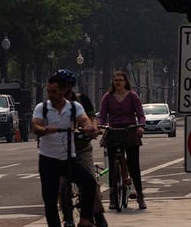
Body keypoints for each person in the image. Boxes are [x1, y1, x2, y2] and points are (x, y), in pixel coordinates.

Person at [32, 75, 98, 227]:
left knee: (89, 182)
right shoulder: (42, 108)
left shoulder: (74, 107)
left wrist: (89, 127)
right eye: (49, 91)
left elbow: (84, 119)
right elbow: (35, 126)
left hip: (69, 158)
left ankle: (85, 219)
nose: (51, 95)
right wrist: (44, 130)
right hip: (48, 159)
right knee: (50, 200)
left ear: (63, 91)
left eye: (54, 91)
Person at [55, 69, 108, 227]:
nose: (62, 90)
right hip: (61, 150)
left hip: (81, 147)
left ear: (70, 86)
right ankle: (68, 217)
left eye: (65, 86)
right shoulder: (52, 104)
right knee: (60, 183)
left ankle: (97, 214)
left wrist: (91, 128)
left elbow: (90, 118)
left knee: (91, 180)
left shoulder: (82, 100)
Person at [97, 71, 147, 210]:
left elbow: (140, 115)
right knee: (113, 165)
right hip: (113, 130)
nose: (118, 82)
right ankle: (113, 196)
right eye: (115, 80)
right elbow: (102, 115)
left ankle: (140, 196)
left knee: (134, 165)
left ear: (125, 82)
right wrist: (99, 125)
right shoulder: (107, 97)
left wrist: (141, 126)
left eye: (120, 80)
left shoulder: (132, 96)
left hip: (130, 130)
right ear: (112, 82)